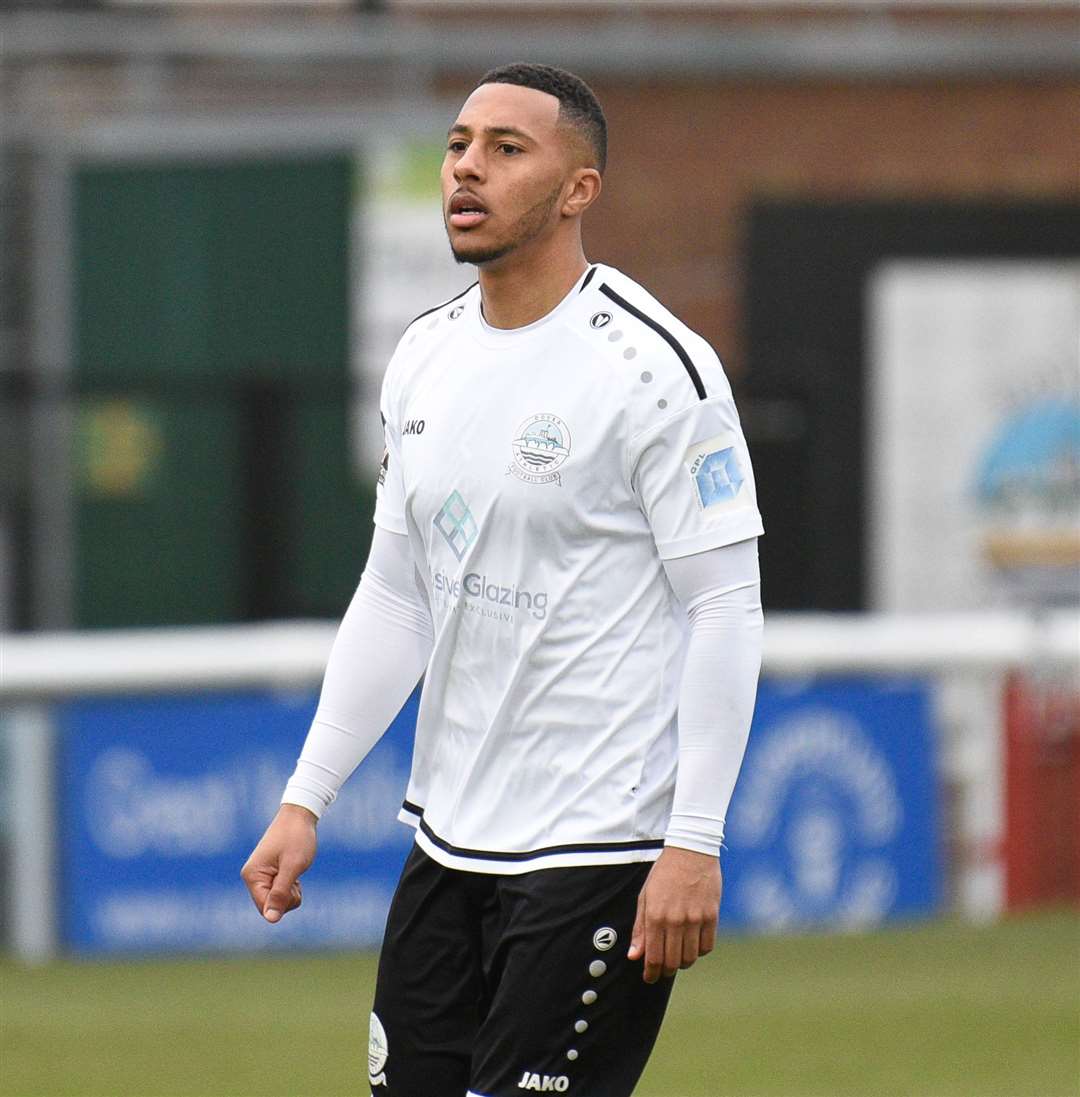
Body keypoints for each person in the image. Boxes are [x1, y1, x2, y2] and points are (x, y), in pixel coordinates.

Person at [241, 62, 764, 1097]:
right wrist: (306, 795)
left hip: (599, 842)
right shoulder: (424, 356)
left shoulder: (658, 369)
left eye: (506, 149)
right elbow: (396, 593)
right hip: (448, 839)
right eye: (458, 145)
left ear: (579, 189)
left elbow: (723, 604)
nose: (467, 169)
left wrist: (692, 841)